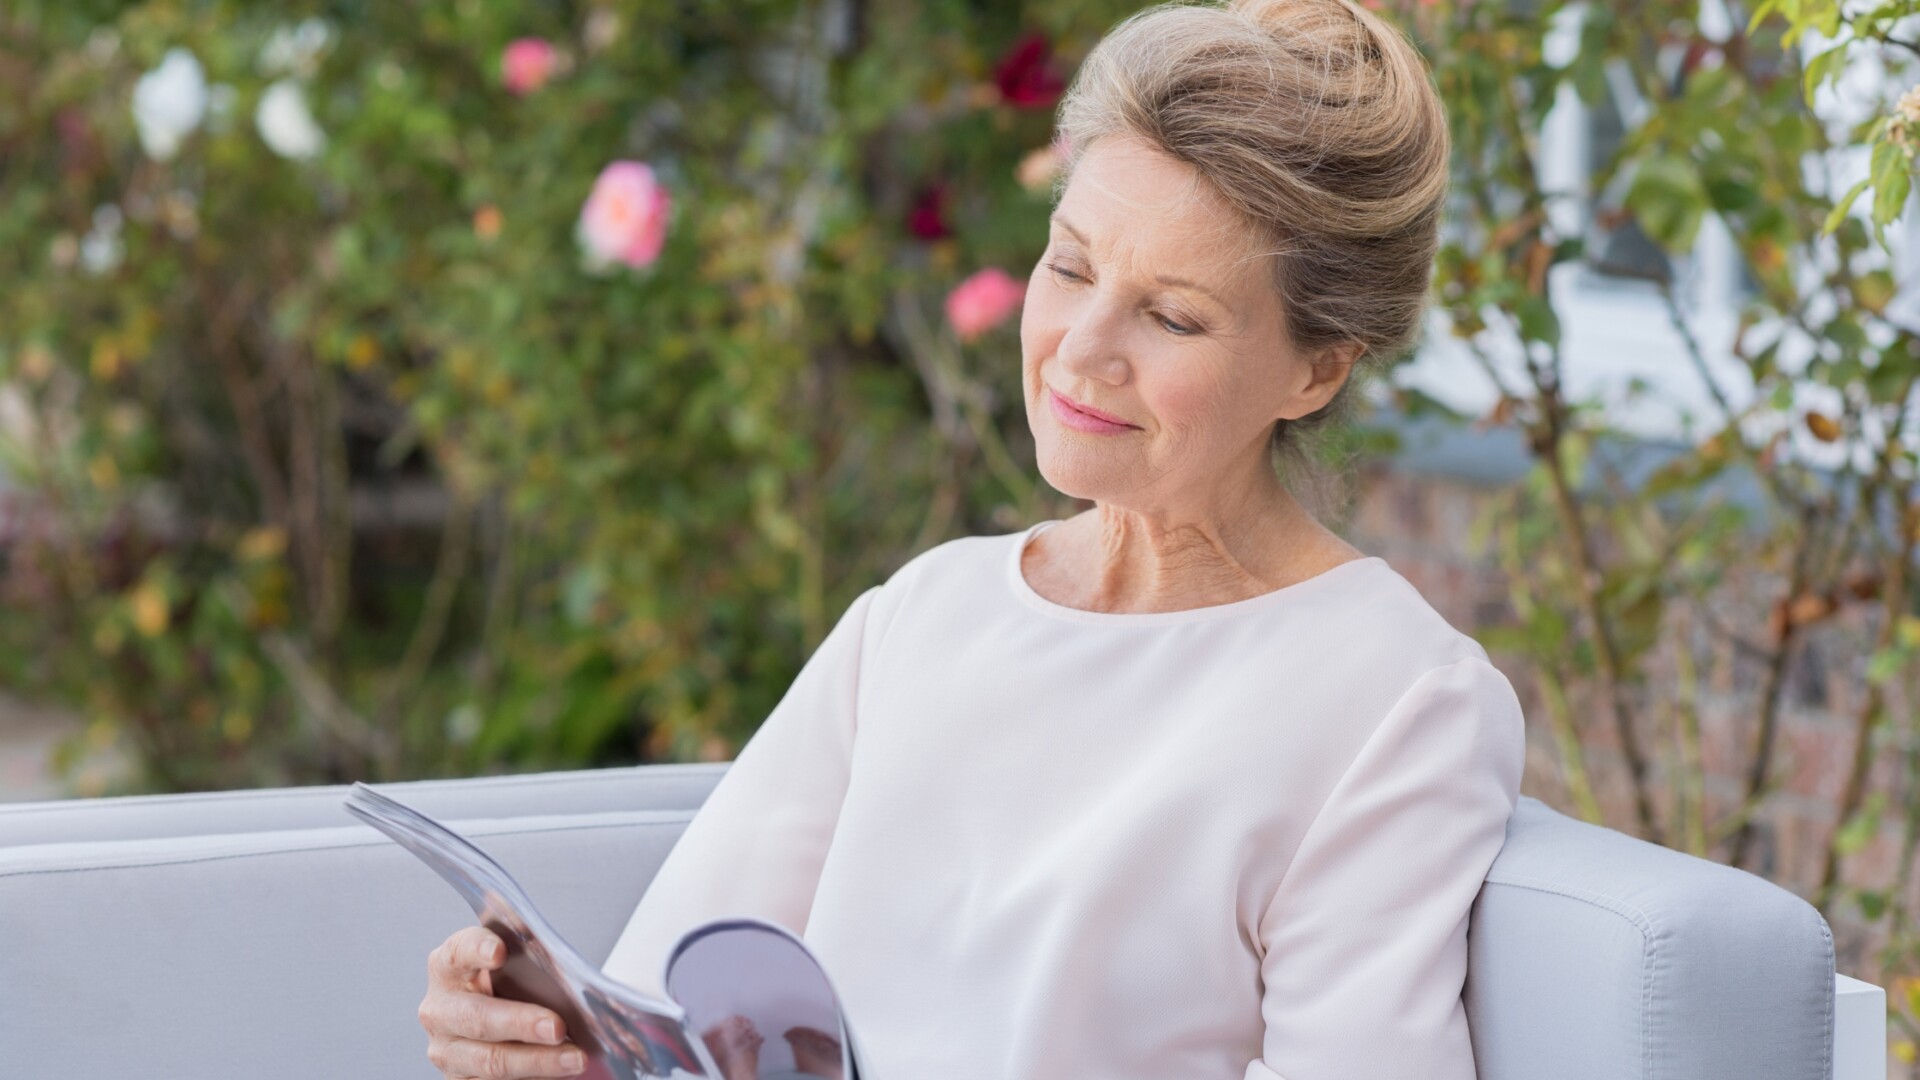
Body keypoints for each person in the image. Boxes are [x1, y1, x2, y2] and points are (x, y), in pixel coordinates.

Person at [418, 0, 1525, 1076]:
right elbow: (665, 1015)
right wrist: (536, 1043)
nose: (1080, 352)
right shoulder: (924, 616)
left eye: (1173, 315)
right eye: (1072, 266)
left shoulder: (1396, 704)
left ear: (1316, 368)